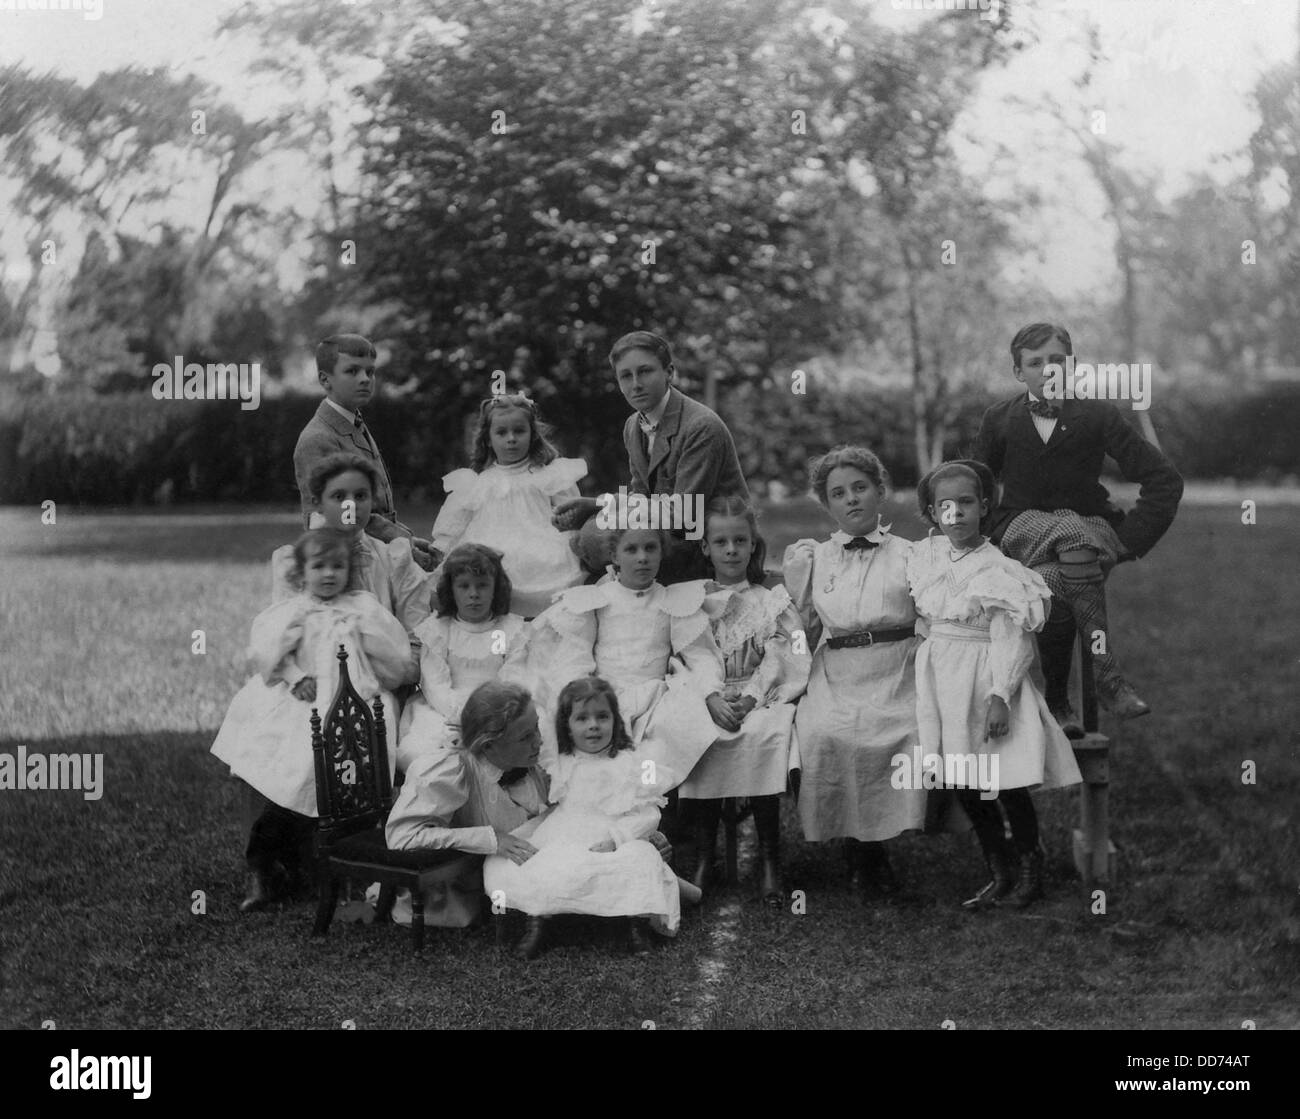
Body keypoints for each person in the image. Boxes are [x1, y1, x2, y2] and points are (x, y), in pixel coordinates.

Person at [970, 322, 1183, 724]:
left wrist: (1128, 542)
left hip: (1090, 527)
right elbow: (977, 485)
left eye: (1056, 360)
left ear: (1072, 366)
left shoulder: (1099, 415)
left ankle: (1057, 698)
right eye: (1035, 363)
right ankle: (1109, 681)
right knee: (1072, 542)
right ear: (1018, 372)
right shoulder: (999, 419)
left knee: (1057, 577)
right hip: (1022, 528)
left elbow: (1164, 479)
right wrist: (982, 542)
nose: (1047, 370)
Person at [907, 461, 1082, 909]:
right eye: (945, 506)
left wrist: (1001, 694)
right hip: (944, 679)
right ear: (931, 512)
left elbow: (1013, 637)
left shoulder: (998, 568)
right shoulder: (926, 559)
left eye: (966, 502)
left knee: (1004, 781)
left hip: (985, 678)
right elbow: (928, 617)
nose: (956, 514)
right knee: (965, 779)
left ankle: (1029, 866)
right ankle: (997, 868)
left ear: (984, 506)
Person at [211, 528, 413, 912]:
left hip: (352, 699)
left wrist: (362, 633)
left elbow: (394, 659)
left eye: (337, 566)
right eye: (319, 566)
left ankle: (333, 863)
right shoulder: (294, 610)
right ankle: (265, 865)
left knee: (344, 772)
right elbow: (269, 653)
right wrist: (293, 677)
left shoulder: (361, 606)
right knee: (287, 766)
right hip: (303, 700)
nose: (328, 574)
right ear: (301, 573)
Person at [384, 681, 674, 932]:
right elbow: (402, 836)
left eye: (536, 728)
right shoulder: (449, 771)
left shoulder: (536, 757)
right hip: (472, 880)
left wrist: (635, 833)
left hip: (544, 853)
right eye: (525, 737)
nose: (538, 741)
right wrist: (487, 839)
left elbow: (580, 806)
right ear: (488, 746)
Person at [784, 446, 924, 898]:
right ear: (827, 504)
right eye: (838, 493)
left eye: (860, 488)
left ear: (880, 491)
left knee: (908, 730)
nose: (851, 500)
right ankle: (863, 853)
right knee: (825, 732)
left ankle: (877, 846)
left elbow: (932, 617)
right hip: (838, 672)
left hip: (899, 667)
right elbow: (801, 628)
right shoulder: (814, 559)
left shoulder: (911, 555)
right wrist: (787, 682)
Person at [483, 677, 682, 959]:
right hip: (566, 830)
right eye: (582, 718)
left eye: (602, 716)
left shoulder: (630, 763)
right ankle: (537, 921)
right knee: (539, 863)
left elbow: (647, 813)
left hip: (613, 834)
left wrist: (617, 840)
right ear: (567, 725)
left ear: (615, 719)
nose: (593, 725)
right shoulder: (561, 759)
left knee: (640, 860)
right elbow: (542, 713)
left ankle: (637, 925)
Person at [680, 496, 810, 905]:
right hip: (710, 697)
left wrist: (752, 697)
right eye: (721, 542)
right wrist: (714, 697)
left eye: (740, 540)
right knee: (699, 735)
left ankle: (771, 858)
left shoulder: (770, 600)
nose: (732, 550)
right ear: (706, 547)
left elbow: (784, 653)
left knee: (767, 734)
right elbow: (691, 653)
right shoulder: (691, 602)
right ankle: (704, 855)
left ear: (754, 544)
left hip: (761, 696)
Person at [528, 517, 723, 787]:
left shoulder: (672, 600)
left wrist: (710, 692)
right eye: (631, 550)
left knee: (665, 739)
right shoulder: (598, 599)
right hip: (604, 697)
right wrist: (579, 696)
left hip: (654, 701)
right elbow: (576, 656)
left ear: (661, 552)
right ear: (614, 556)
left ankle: (655, 810)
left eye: (650, 548)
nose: (642, 558)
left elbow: (699, 656)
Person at [552, 331, 749, 583]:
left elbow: (684, 514)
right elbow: (643, 496)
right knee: (586, 535)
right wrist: (596, 505)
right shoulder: (633, 425)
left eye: (645, 371)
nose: (635, 384)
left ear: (669, 372)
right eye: (626, 376)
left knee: (599, 539)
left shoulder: (701, 425)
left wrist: (605, 508)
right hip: (669, 529)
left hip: (712, 541)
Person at [430, 393, 586, 617]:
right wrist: (441, 547)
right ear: (488, 439)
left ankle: (542, 620)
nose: (511, 438)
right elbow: (456, 520)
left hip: (540, 538)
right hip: (491, 541)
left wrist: (568, 522)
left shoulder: (547, 474)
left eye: (519, 431)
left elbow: (571, 508)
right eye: (501, 433)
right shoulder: (477, 481)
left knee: (547, 562)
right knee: (490, 565)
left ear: (532, 435)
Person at [293, 333, 436, 570]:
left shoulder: (354, 423)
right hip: (349, 561)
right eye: (352, 371)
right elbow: (345, 517)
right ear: (325, 379)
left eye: (370, 372)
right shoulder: (318, 439)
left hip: (381, 552)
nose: (365, 379)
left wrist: (407, 540)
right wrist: (401, 543)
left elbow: (375, 507)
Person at [273, 453, 431, 653]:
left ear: (372, 501)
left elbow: (416, 635)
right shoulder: (295, 563)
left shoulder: (394, 560)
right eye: (339, 497)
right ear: (318, 502)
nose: (351, 506)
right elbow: (283, 635)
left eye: (360, 496)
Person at [397, 543, 530, 772]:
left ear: (495, 588)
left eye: (482, 586)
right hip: (446, 709)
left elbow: (510, 674)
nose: (474, 594)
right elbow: (435, 684)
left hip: (497, 708)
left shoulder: (502, 631)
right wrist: (463, 718)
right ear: (451, 589)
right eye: (464, 586)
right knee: (421, 751)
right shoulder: (440, 631)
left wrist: (490, 716)